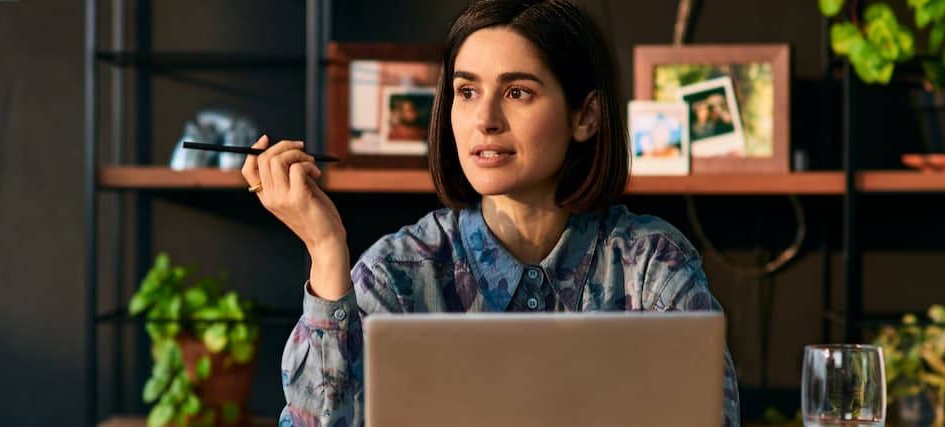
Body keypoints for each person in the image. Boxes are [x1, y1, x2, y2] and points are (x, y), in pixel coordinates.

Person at [239, 1, 740, 425]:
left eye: (517, 92)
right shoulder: (396, 273)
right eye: (467, 91)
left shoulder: (653, 265)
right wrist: (326, 253)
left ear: (585, 116)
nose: (485, 120)